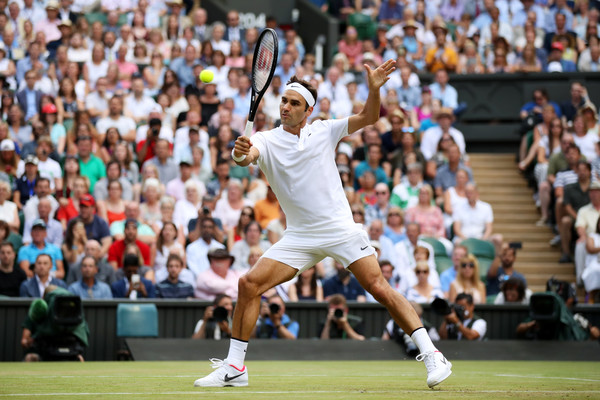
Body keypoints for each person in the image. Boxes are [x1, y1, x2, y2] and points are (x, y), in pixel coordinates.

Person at [194, 67, 451, 389]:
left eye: (294, 103)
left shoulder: (324, 130)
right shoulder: (264, 139)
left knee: (379, 288)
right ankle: (235, 367)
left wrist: (374, 90)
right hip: (300, 237)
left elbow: (369, 116)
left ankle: (432, 353)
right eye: (283, 101)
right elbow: (245, 158)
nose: (285, 107)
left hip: (340, 229)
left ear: (308, 110)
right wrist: (240, 153)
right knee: (248, 285)